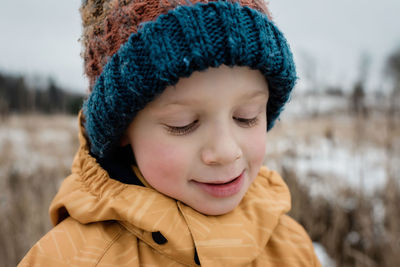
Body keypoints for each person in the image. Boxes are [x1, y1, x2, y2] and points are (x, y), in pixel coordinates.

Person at [19, 0, 321, 266]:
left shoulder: (291, 248)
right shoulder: (70, 259)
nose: (227, 151)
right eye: (183, 123)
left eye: (246, 118)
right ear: (123, 130)